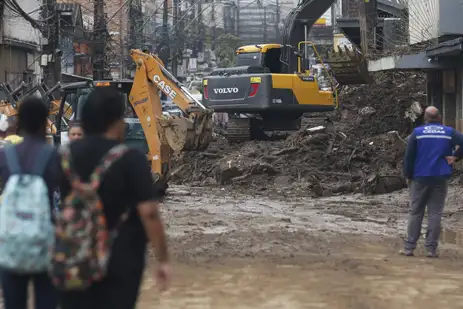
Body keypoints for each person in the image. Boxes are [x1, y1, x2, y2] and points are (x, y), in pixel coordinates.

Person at [57, 87, 170, 309]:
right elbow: (149, 213)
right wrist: (163, 259)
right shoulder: (131, 159)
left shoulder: (64, 157)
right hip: (120, 262)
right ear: (117, 122)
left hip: (75, 258)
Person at [0, 96, 59, 309]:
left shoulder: (5, 156)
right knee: (47, 302)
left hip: (12, 242)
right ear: (45, 123)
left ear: (18, 123)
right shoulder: (54, 156)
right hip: (45, 241)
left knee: (13, 303)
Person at [401, 106, 463, 258]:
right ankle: (431, 249)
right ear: (439, 117)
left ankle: (409, 248)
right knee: (435, 213)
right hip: (440, 177)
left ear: (426, 118)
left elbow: (409, 157)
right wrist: (456, 156)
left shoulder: (417, 133)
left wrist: (408, 175)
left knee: (416, 212)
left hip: (420, 177)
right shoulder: (449, 132)